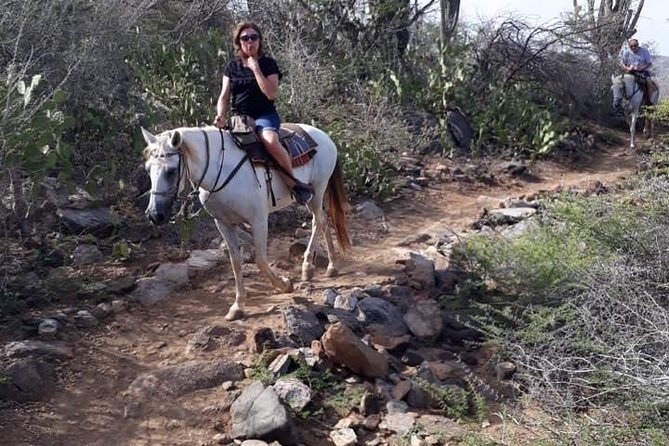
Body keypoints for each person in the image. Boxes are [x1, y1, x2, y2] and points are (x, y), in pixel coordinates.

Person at [214, 21, 313, 205]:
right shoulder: (231, 67)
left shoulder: (268, 64)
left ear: (259, 41)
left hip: (264, 116)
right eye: (245, 38)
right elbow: (224, 96)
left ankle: (295, 184)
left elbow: (271, 93)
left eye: (253, 37)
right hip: (240, 119)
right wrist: (220, 115)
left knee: (270, 141)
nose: (249, 42)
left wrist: (256, 69)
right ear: (239, 42)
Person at [614, 38, 654, 114]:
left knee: (649, 82)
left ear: (638, 45)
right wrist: (628, 68)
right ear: (629, 46)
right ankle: (619, 103)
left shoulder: (644, 51)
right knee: (619, 83)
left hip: (643, 72)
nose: (633, 48)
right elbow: (622, 64)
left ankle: (649, 102)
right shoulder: (627, 52)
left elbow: (649, 63)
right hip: (630, 72)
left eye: (635, 46)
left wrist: (639, 68)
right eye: (631, 46)